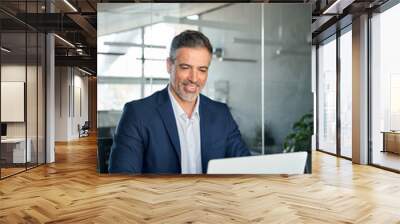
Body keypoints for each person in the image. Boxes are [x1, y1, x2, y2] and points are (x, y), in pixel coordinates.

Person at [108, 30, 250, 174]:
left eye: (202, 70)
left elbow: (246, 168)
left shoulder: (221, 114)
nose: (194, 78)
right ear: (169, 65)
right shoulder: (138, 114)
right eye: (185, 67)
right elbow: (122, 182)